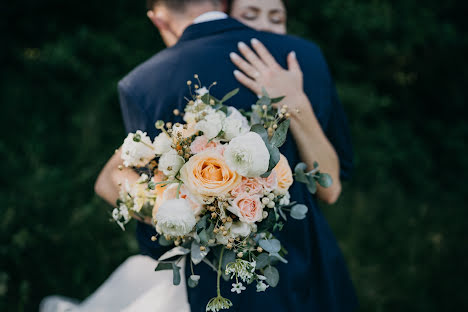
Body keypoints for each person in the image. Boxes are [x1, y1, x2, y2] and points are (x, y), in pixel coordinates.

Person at [41, 0, 357, 311]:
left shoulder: (144, 84)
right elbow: (328, 188)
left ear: (158, 19)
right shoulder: (304, 57)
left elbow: (119, 182)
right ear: (225, 5)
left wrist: (185, 214)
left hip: (210, 282)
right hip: (309, 275)